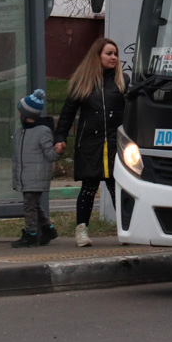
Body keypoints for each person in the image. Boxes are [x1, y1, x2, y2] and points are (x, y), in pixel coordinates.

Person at [54, 38, 128, 247]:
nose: (114, 57)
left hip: (116, 144)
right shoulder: (82, 82)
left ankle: (126, 230)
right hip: (90, 144)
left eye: (115, 54)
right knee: (89, 187)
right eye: (109, 53)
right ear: (97, 56)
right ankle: (82, 231)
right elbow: (67, 114)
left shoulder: (123, 82)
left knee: (117, 187)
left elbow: (133, 113)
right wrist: (60, 138)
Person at [11, 88, 60, 248]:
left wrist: (58, 151)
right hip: (26, 177)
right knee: (34, 205)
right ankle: (48, 229)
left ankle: (31, 234)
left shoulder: (43, 131)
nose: (19, 115)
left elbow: (50, 154)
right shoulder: (21, 132)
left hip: (36, 176)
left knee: (29, 205)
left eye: (20, 112)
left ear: (27, 115)